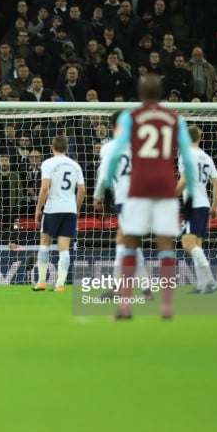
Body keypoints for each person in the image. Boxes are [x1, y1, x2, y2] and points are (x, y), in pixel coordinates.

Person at [98, 74, 195, 319]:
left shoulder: (132, 117)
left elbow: (116, 151)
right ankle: (166, 307)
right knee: (165, 246)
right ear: (161, 94)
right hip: (164, 187)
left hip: (138, 189)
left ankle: (125, 307)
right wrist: (191, 190)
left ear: (140, 95)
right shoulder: (175, 119)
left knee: (130, 244)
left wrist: (104, 186)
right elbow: (187, 156)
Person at [93, 110, 150, 298]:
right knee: (127, 241)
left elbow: (104, 175)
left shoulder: (109, 147)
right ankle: (145, 289)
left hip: (127, 199)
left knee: (124, 242)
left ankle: (120, 288)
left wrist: (97, 196)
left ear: (111, 127)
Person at [32, 135, 85, 292]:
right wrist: (76, 208)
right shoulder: (75, 166)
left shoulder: (48, 163)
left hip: (52, 209)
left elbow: (44, 188)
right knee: (64, 248)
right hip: (69, 210)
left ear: (51, 147)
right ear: (67, 148)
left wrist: (38, 208)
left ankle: (42, 281)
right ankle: (60, 285)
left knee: (44, 244)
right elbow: (82, 189)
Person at [176, 126, 217, 295]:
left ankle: (210, 281)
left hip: (193, 204)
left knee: (187, 244)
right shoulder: (206, 157)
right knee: (197, 246)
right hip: (204, 204)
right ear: (199, 139)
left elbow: (185, 180)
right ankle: (202, 285)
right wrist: (215, 206)